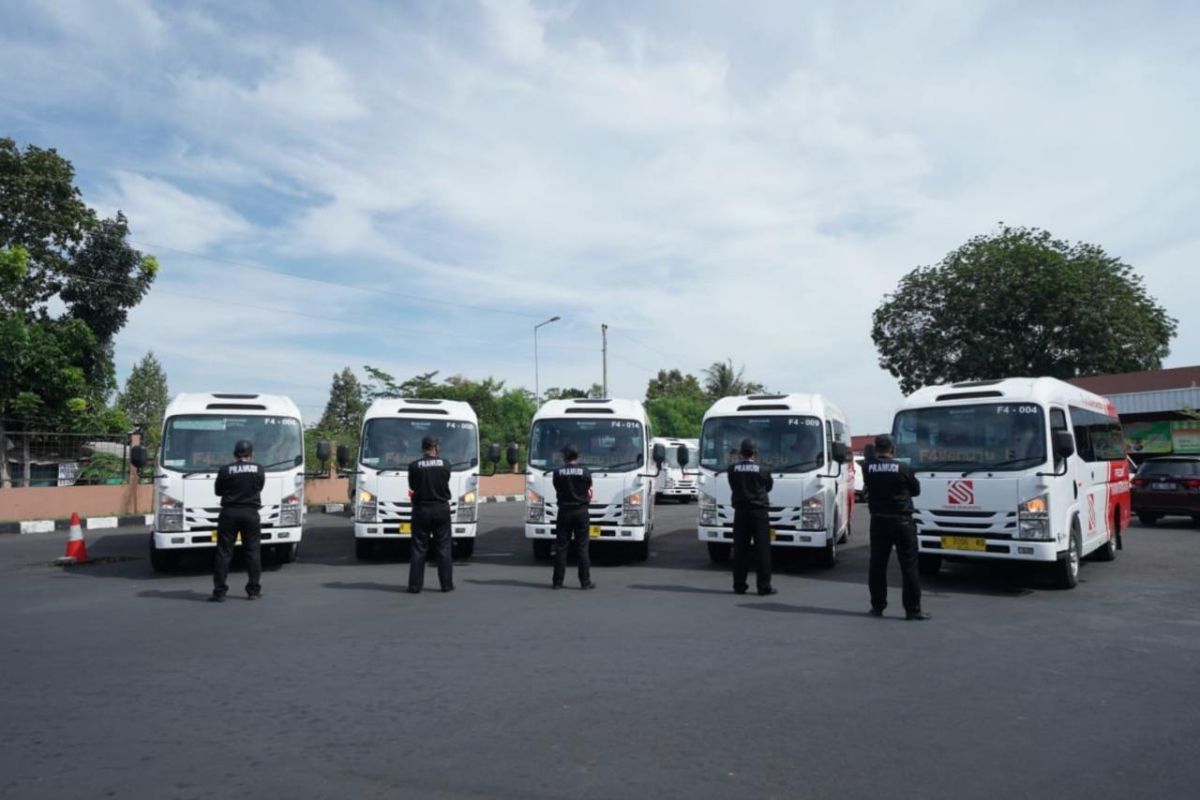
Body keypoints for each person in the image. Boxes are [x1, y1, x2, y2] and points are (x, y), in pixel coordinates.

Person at [864, 434, 929, 620]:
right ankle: (912, 610)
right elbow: (916, 490)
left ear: (877, 449)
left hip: (878, 521)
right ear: (892, 449)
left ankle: (877, 607)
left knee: (877, 565)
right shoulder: (902, 467)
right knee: (909, 566)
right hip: (902, 521)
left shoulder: (868, 468)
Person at [210, 439, 266, 603]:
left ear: (235, 454)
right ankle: (253, 591)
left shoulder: (225, 470)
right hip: (250, 513)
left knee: (224, 552)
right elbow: (259, 487)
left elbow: (218, 491)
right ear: (251, 454)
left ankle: (219, 592)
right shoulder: (258, 469)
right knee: (252, 552)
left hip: (229, 513)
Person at [727, 438, 775, 596]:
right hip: (759, 513)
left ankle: (739, 585)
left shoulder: (732, 469)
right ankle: (763, 587)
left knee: (740, 549)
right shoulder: (763, 469)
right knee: (762, 550)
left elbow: (733, 486)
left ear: (741, 453)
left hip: (740, 512)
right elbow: (768, 487)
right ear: (755, 452)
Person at [407, 435, 454, 593]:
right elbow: (445, 480)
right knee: (444, 547)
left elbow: (413, 485)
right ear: (436, 447)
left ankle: (415, 586)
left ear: (423, 448)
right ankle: (446, 585)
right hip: (441, 509)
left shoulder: (414, 466)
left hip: (421, 509)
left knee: (419, 548)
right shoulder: (445, 464)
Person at [552, 444, 595, 590]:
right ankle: (585, 582)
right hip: (581, 512)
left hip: (564, 512)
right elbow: (589, 489)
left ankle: (558, 582)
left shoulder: (558, 473)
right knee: (582, 547)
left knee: (561, 547)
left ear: (564, 456)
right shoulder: (585, 472)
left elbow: (557, 488)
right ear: (578, 456)